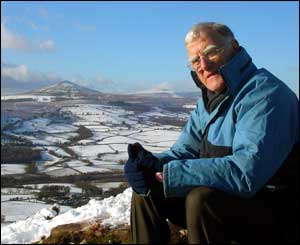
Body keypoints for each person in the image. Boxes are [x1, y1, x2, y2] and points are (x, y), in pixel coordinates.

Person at [124, 22, 299, 244]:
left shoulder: (266, 95)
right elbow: (184, 151)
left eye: (211, 52)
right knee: (147, 192)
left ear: (234, 46)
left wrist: (168, 171)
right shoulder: (209, 101)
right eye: (196, 60)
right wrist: (149, 165)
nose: (204, 65)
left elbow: (246, 173)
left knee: (201, 198)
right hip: (233, 204)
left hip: (275, 212)